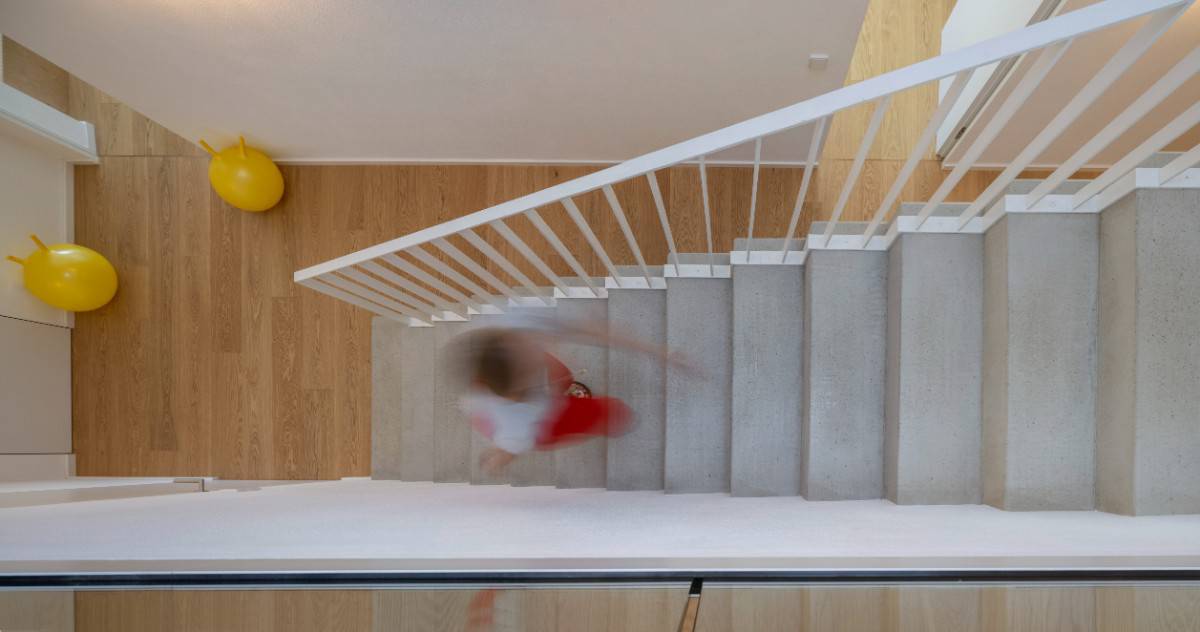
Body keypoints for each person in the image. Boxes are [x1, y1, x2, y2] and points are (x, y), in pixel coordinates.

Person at [458, 310, 690, 475]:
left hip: (514, 414)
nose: (539, 353)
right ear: (516, 391)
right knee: (612, 412)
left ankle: (565, 395)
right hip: (532, 426)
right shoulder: (516, 423)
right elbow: (514, 444)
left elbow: (586, 330)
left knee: (564, 376)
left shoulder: (518, 325)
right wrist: (500, 457)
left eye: (529, 348)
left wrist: (657, 352)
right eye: (529, 369)